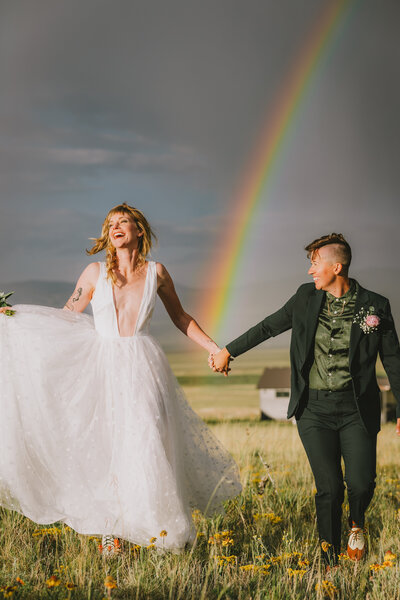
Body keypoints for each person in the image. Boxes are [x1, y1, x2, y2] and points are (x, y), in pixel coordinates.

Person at [0, 203, 241, 555]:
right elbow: (68, 315)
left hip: (144, 364)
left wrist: (214, 348)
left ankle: (156, 525)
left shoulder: (157, 272)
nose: (116, 227)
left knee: (147, 441)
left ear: (139, 231)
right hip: (100, 365)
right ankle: (110, 528)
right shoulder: (93, 273)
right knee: (106, 444)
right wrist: (16, 319)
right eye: (111, 223)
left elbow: (181, 316)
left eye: (123, 222)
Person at [210, 233, 400, 565]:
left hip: (357, 408)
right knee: (328, 487)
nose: (311, 272)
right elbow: (267, 327)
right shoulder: (304, 299)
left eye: (315, 264)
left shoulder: (375, 306)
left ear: (336, 267)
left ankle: (357, 523)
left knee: (361, 482)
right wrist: (228, 351)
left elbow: (393, 360)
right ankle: (329, 559)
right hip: (314, 409)